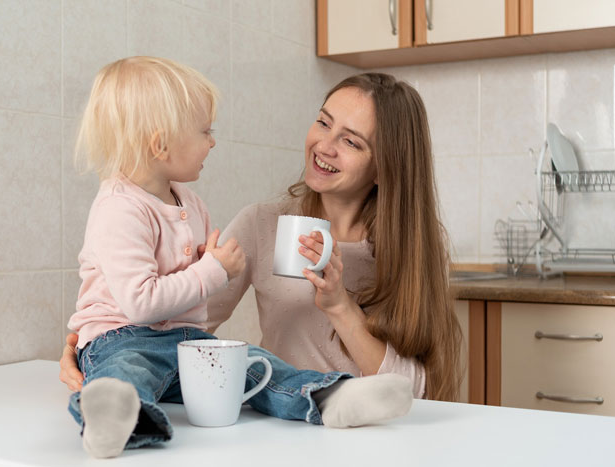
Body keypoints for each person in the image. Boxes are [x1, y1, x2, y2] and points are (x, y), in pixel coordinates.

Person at [67, 57, 413, 459]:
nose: (212, 142)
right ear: (161, 144)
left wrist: (339, 305)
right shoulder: (124, 207)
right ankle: (112, 419)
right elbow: (145, 302)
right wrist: (86, 344)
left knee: (256, 363)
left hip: (183, 341)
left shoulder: (189, 203)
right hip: (128, 339)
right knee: (126, 372)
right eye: (204, 131)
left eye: (351, 141)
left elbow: (420, 389)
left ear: (382, 167)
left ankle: (331, 397)